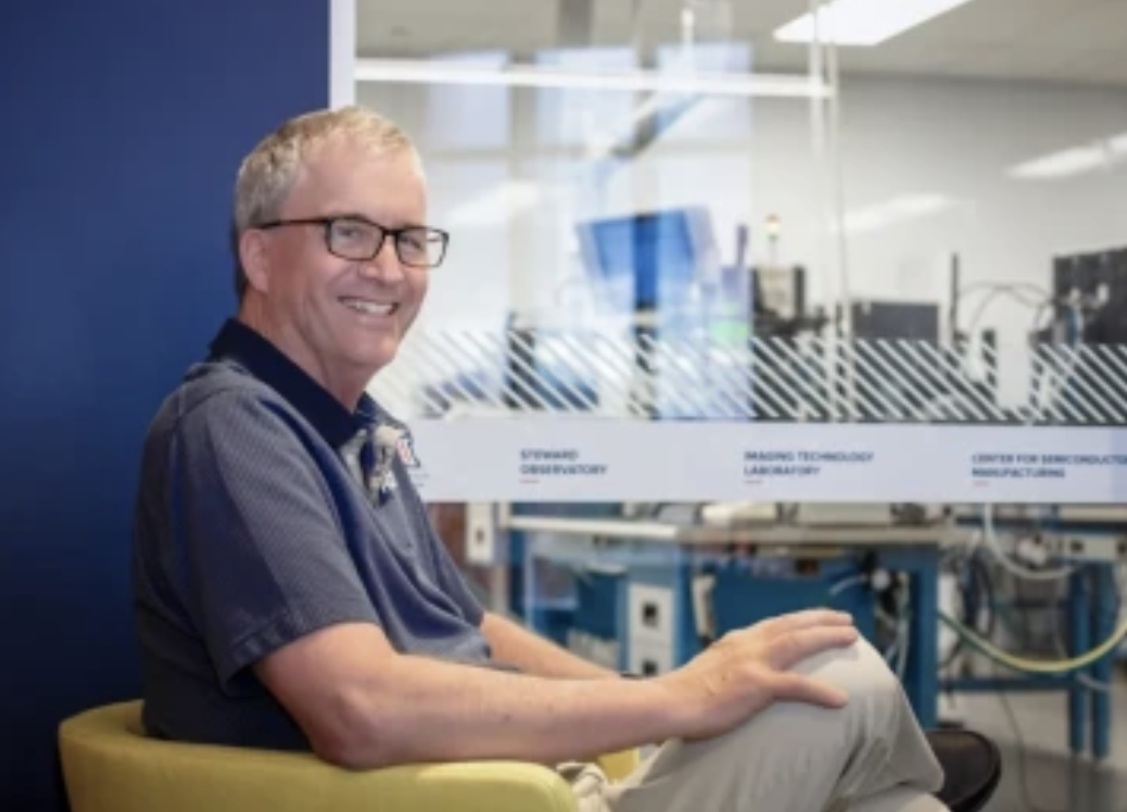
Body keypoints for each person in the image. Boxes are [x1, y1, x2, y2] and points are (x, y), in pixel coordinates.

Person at [131, 106, 995, 812]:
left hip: (530, 788)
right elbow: (361, 711)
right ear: (259, 253)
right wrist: (677, 702)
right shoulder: (235, 428)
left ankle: (881, 772)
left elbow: (469, 629)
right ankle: (879, 760)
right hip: (466, 801)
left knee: (892, 802)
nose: (390, 270)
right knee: (835, 673)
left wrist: (656, 705)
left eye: (409, 239)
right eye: (350, 233)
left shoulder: (354, 430)